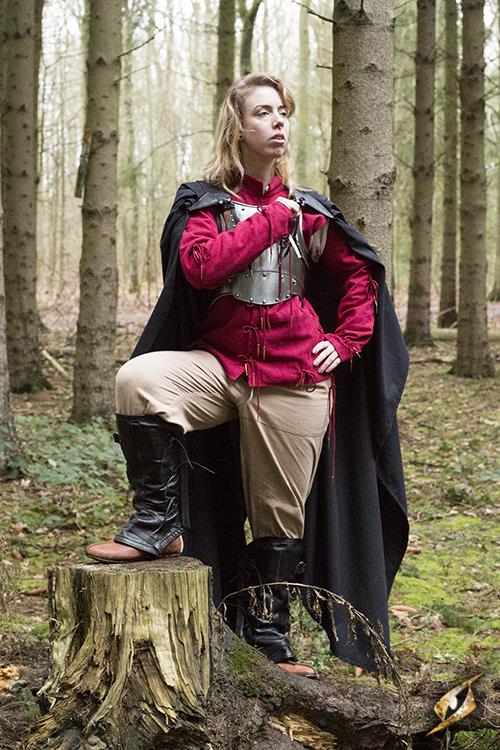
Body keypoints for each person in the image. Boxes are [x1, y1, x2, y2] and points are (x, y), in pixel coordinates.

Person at [86, 74, 409, 678]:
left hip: (294, 377)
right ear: (237, 126)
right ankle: (157, 524)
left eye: (283, 112)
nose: (278, 121)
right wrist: (269, 220)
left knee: (277, 516)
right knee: (139, 381)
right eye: (263, 112)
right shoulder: (205, 205)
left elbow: (362, 275)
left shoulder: (311, 212)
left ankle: (267, 638)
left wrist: (345, 341)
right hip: (222, 367)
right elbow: (201, 267)